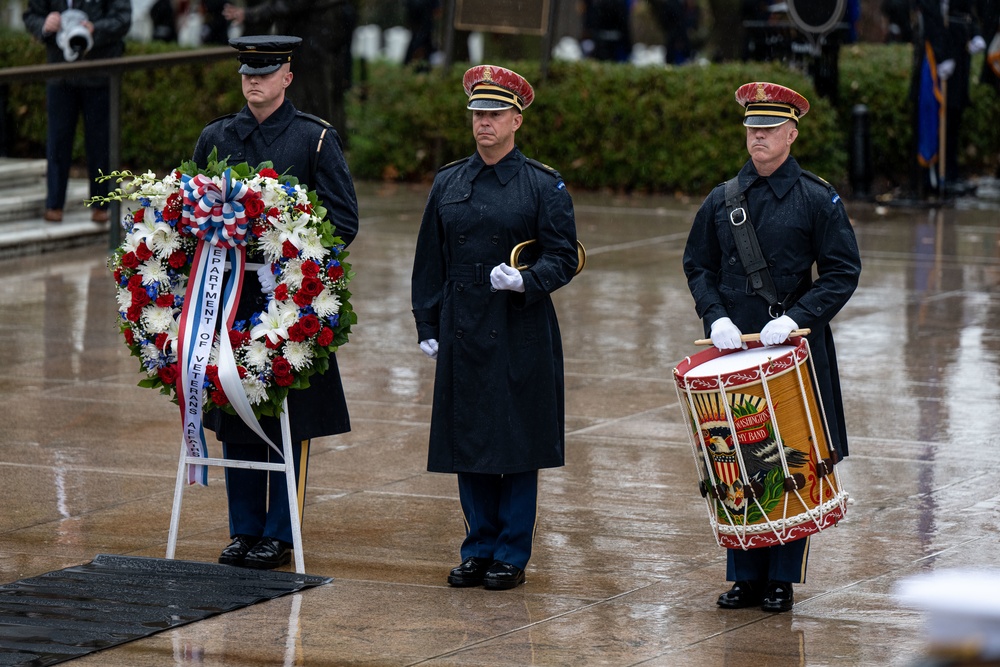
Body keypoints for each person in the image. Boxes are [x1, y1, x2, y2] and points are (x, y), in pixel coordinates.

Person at [682, 81, 862, 613]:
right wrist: (714, 317)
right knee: (735, 459)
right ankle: (744, 575)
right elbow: (698, 265)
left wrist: (798, 318)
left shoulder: (815, 197)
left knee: (788, 458)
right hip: (734, 349)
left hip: (792, 349)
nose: (756, 138)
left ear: (791, 133)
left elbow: (842, 272)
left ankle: (782, 576)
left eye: (767, 129)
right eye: (751, 129)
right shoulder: (722, 199)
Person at [192, 35, 360, 569]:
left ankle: (280, 533)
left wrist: (289, 243)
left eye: (265, 73)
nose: (254, 82)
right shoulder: (217, 137)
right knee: (235, 412)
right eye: (247, 73)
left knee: (290, 416)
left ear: (287, 76)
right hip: (229, 296)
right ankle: (244, 529)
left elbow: (344, 219)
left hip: (289, 299)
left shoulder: (313, 140)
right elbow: (191, 211)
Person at [410, 65, 579, 591]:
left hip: (518, 326)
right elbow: (429, 261)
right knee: (470, 439)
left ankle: (511, 551)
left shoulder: (542, 185)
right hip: (462, 324)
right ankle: (478, 546)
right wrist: (427, 320)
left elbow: (565, 255)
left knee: (517, 442)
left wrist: (527, 280)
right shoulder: (450, 181)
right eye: (478, 115)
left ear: (516, 121)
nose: (484, 124)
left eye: (494, 115)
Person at [23, 0, 131, 224]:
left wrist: (94, 29)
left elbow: (122, 19)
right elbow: (31, 15)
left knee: (100, 142)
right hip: (60, 73)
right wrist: (45, 24)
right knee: (58, 140)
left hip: (99, 73)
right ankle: (54, 203)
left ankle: (102, 204)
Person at [222, 0, 357, 140]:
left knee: (312, 103)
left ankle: (315, 146)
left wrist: (251, 14)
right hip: (318, 39)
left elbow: (291, 4)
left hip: (312, 44)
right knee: (321, 101)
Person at [913, 0, 989, 195]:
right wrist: (941, 55)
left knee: (954, 116)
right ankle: (934, 176)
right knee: (936, 118)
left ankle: (951, 172)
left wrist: (975, 34)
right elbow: (931, 20)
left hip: (959, 59)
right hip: (934, 63)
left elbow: (968, 12)